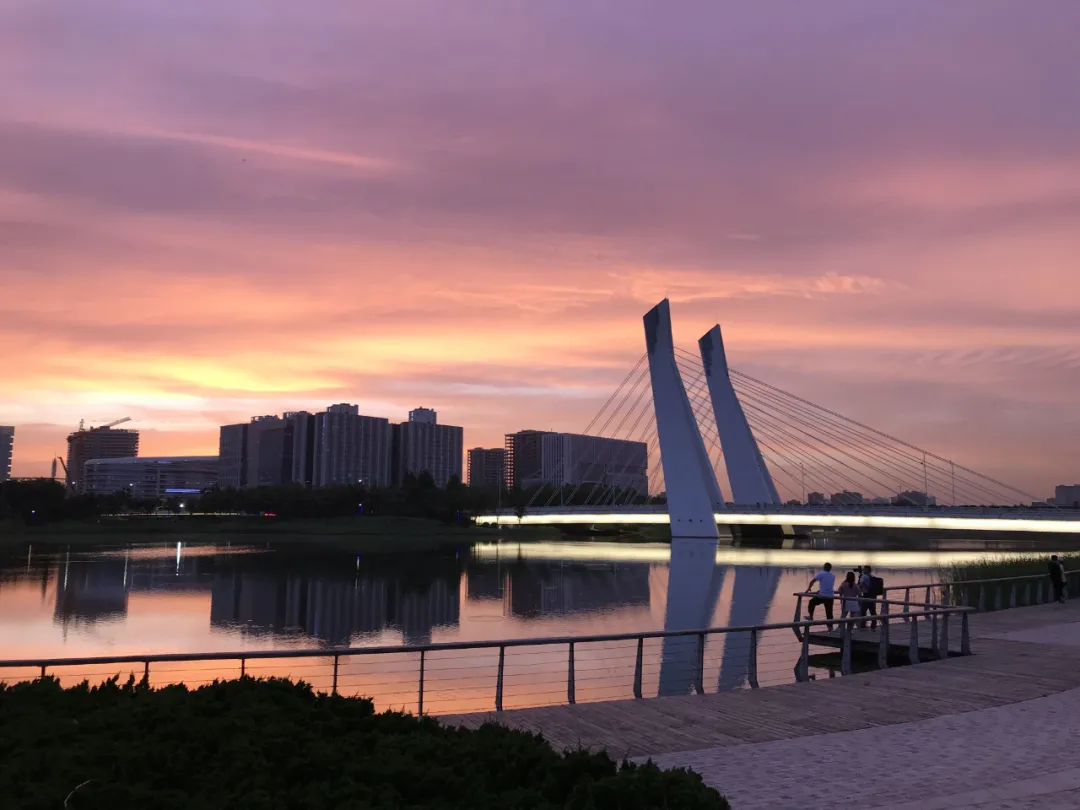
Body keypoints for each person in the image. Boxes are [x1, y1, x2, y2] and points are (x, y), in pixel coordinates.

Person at [806, 562, 836, 630]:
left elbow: (812, 581)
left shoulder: (821, 573)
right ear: (830, 569)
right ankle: (830, 627)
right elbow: (827, 584)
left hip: (822, 596)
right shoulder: (833, 575)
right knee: (829, 612)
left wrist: (808, 589)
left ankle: (811, 617)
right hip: (830, 596)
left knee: (811, 602)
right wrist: (821, 590)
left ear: (824, 567)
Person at [859, 565, 884, 629]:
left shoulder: (864, 576)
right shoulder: (872, 576)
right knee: (873, 611)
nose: (863, 570)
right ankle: (873, 626)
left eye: (864, 569)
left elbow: (860, 584)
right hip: (873, 595)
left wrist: (859, 579)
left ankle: (863, 626)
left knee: (863, 611)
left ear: (867, 570)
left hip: (866, 595)